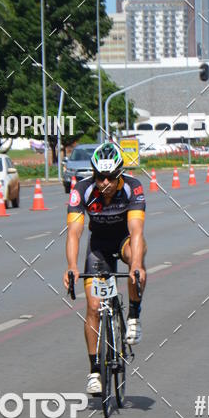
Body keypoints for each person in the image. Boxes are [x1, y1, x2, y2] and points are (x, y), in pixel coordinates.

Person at [63, 141, 147, 395]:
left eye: (110, 177)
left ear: (119, 174)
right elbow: (74, 233)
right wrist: (72, 267)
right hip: (98, 246)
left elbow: (136, 230)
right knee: (92, 306)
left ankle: (133, 316)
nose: (104, 183)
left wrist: (135, 266)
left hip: (124, 240)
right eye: (99, 177)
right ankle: (95, 371)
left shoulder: (133, 188)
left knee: (136, 257)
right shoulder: (82, 189)